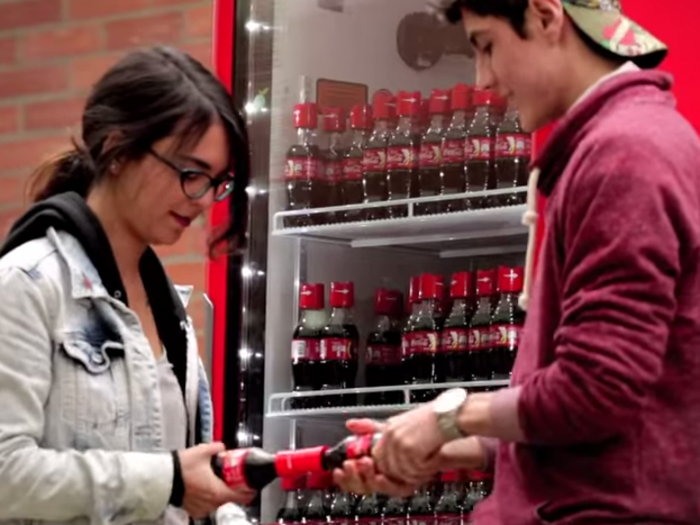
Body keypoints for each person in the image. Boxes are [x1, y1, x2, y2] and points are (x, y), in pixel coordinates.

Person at [335, 0, 700, 523]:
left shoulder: (626, 154)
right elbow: (600, 414)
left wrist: (447, 420)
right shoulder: (618, 144)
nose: (483, 78)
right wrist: (458, 446)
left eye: (486, 45)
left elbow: (597, 388)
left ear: (548, 16)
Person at [0, 46, 255, 524]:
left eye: (216, 181)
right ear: (118, 150)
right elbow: (5, 475)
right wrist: (169, 479)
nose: (202, 200)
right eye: (190, 173)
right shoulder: (26, 285)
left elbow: (187, 495)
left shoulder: (169, 313)